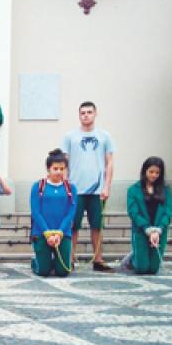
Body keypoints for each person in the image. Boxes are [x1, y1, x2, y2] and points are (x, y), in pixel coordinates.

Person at [61, 101, 115, 272]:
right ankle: (70, 258)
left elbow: (109, 163)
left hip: (97, 189)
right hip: (75, 188)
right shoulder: (70, 137)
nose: (86, 115)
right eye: (83, 112)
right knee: (73, 225)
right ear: (79, 115)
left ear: (95, 113)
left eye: (89, 112)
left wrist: (107, 186)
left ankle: (98, 259)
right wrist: (65, 186)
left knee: (97, 226)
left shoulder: (105, 136)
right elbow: (64, 164)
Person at [30, 149, 77, 278]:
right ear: (48, 169)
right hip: (42, 233)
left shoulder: (71, 188)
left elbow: (71, 212)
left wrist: (60, 233)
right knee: (43, 271)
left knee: (63, 272)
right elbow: (36, 212)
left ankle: (56, 262)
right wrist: (47, 233)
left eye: (62, 169)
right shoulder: (38, 186)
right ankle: (36, 261)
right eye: (55, 168)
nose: (59, 172)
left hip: (62, 234)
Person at [125, 157, 172, 275]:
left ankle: (139, 255)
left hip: (159, 231)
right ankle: (132, 259)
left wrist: (158, 230)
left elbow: (168, 211)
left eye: (157, 173)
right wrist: (147, 229)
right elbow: (133, 212)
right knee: (142, 268)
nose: (154, 175)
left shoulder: (165, 190)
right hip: (141, 230)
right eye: (151, 172)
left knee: (153, 269)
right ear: (145, 171)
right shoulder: (133, 190)